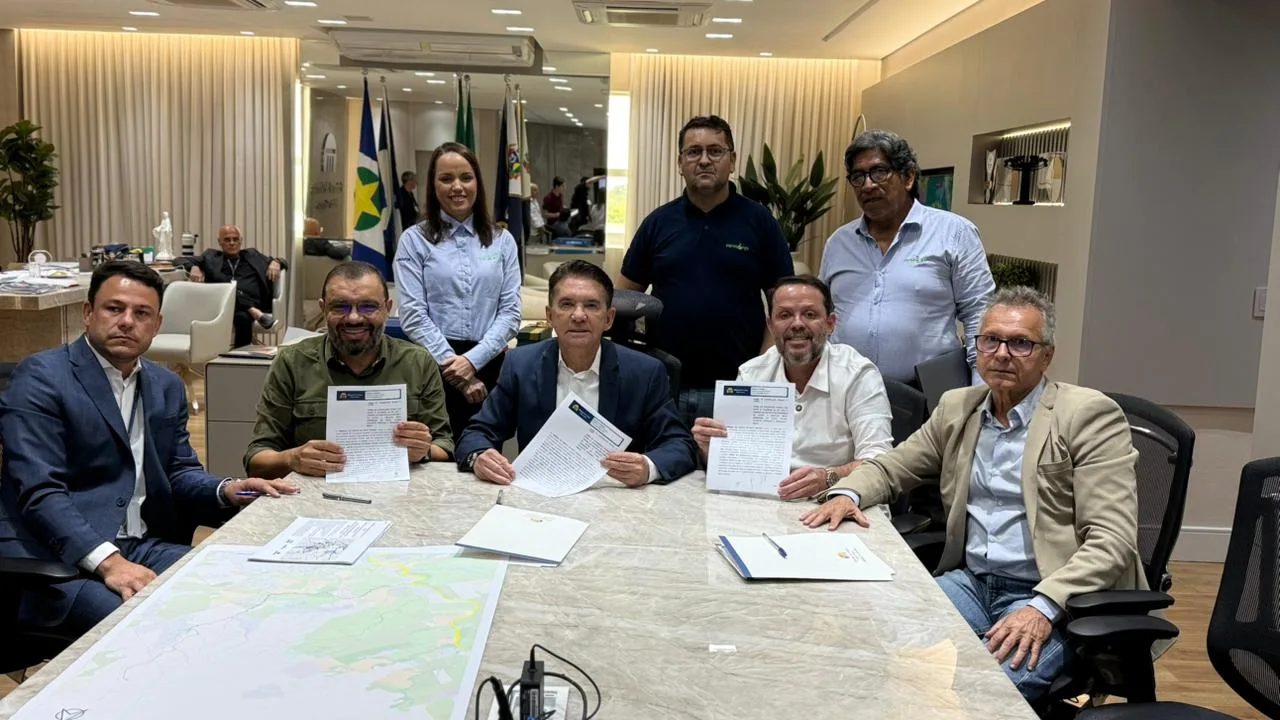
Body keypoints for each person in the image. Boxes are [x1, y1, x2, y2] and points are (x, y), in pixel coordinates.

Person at [801, 287, 1143, 702]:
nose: (1002, 354)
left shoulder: (1087, 416)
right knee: (869, 647)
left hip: (1052, 594)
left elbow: (1112, 540)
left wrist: (1042, 606)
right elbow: (892, 466)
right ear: (976, 348)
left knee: (986, 692)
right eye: (990, 340)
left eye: (1020, 343)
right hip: (971, 583)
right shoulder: (958, 408)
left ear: (1047, 356)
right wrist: (847, 494)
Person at [0, 261, 298, 638]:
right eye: (114, 308)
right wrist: (110, 563)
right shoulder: (42, 378)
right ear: (88, 313)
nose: (127, 322)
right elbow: (40, 491)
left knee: (244, 588)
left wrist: (228, 490)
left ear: (157, 325)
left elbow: (178, 471)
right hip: (60, 560)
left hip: (141, 545)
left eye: (141, 313)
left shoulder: (164, 385)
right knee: (154, 625)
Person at [618, 115, 793, 426]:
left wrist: (761, 370)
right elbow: (622, 301)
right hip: (665, 385)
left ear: (732, 160)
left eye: (715, 151)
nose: (704, 160)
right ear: (680, 162)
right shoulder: (658, 223)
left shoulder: (760, 222)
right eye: (693, 152)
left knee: (730, 460)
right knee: (665, 457)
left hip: (738, 386)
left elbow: (783, 306)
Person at [456, 260, 696, 487]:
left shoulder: (645, 372)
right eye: (567, 304)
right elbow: (477, 433)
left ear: (609, 318)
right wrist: (479, 456)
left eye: (591, 305)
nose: (579, 316)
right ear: (550, 316)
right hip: (539, 495)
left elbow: (679, 444)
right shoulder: (520, 364)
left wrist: (647, 467)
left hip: (613, 496)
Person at [245, 261, 453, 478]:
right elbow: (256, 459)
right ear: (323, 308)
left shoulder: (418, 362)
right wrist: (291, 458)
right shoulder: (292, 362)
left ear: (387, 308)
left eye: (368, 307)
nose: (354, 317)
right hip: (314, 491)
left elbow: (445, 447)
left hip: (401, 491)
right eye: (340, 307)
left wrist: (424, 451)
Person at [692, 276, 893, 500]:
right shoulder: (752, 374)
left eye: (810, 314)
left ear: (830, 323)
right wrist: (713, 450)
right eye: (785, 315)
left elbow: (879, 461)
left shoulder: (858, 374)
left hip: (835, 498)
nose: (797, 324)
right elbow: (738, 465)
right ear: (771, 326)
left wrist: (827, 477)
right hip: (765, 501)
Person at [819, 130, 994, 385]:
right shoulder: (838, 243)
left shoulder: (954, 233)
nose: (868, 185)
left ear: (908, 177)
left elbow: (980, 315)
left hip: (929, 393)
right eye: (858, 176)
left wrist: (980, 391)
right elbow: (823, 314)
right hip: (847, 390)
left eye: (879, 172)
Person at [395, 142, 522, 437]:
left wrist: (472, 361)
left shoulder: (502, 240)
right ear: (433, 185)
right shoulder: (414, 240)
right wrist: (458, 371)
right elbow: (412, 315)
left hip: (489, 362)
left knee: (485, 451)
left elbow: (510, 312)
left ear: (477, 182)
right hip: (434, 365)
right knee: (435, 451)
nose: (457, 187)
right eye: (446, 178)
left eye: (466, 177)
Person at [188, 224, 289, 347]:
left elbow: (284, 262)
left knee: (242, 316)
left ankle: (240, 354)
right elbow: (179, 261)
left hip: (253, 301)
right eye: (227, 240)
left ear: (241, 241)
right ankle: (252, 311)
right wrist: (194, 267)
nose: (232, 243)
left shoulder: (252, 255)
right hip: (222, 303)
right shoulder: (211, 257)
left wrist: (277, 262)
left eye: (235, 239)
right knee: (222, 282)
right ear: (219, 242)